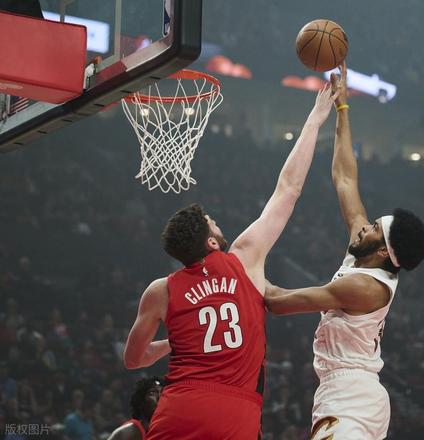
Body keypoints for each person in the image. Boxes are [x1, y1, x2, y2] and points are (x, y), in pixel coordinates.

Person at [122, 85, 339, 440]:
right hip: (235, 412)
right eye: (213, 223)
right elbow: (288, 189)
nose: (218, 223)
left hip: (179, 407)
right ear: (211, 242)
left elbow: (134, 359)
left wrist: (173, 344)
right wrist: (315, 118)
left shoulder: (160, 291)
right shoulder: (244, 257)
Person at [265, 63, 424, 440]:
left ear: (383, 250)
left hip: (349, 395)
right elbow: (345, 177)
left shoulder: (363, 287)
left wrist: (242, 266)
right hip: (351, 392)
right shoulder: (367, 250)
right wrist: (342, 108)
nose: (365, 226)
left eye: (374, 229)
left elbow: (279, 302)